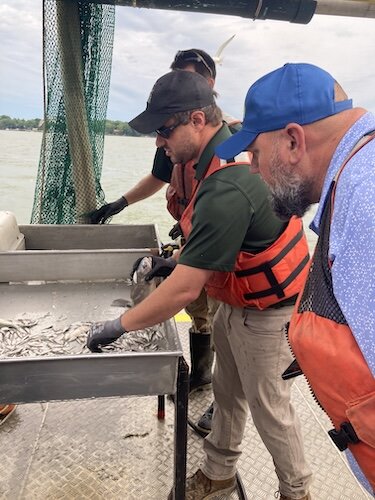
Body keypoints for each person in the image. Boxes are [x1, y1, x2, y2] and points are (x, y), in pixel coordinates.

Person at [86, 70, 312, 500]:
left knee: (273, 414)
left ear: (196, 120)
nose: (158, 142)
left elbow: (187, 292)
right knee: (226, 394)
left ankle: (296, 493)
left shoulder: (227, 181)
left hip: (270, 316)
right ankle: (217, 475)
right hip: (238, 301)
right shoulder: (221, 153)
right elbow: (219, 245)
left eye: (163, 129)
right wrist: (171, 261)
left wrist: (119, 325)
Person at [215, 62, 375, 495]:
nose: (251, 168)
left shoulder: (366, 204)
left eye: (255, 154)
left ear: (292, 140)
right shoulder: (357, 172)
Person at [89, 49, 238, 431]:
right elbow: (158, 179)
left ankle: (224, 403)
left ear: (209, 85)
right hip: (195, 236)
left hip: (226, 252)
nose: (181, 87)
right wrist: (119, 203)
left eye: (188, 79)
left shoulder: (231, 145)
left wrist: (120, 325)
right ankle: (202, 375)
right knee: (202, 317)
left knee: (228, 327)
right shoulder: (174, 137)